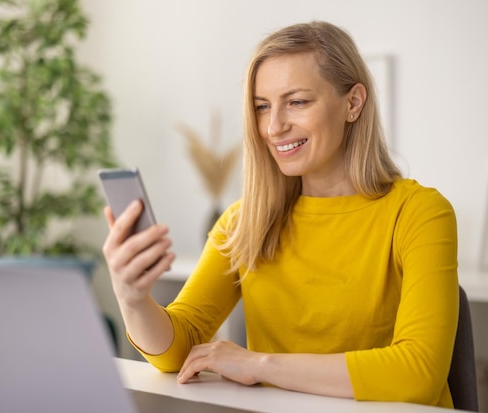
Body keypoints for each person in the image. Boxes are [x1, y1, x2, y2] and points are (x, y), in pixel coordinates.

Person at [102, 20, 459, 408]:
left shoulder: (419, 213)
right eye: (261, 107)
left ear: (353, 103)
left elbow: (417, 373)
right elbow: (175, 351)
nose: (274, 127)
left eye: (297, 102)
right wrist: (133, 300)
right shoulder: (243, 223)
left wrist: (260, 365)